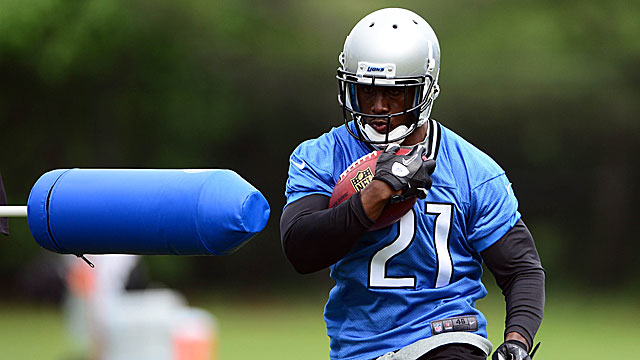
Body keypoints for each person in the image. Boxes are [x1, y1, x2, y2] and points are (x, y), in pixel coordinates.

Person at [280, 7, 545, 360]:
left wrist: (517, 341)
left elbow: (521, 269)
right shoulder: (321, 155)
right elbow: (300, 248)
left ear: (424, 92)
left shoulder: (473, 171)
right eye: (365, 91)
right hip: (361, 347)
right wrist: (375, 195)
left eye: (394, 94)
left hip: (447, 336)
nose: (377, 107)